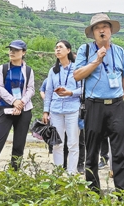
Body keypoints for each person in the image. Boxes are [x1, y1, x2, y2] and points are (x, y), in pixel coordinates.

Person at [74, 13, 124, 193]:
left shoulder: (119, 51)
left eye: (105, 26)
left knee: (119, 152)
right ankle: (94, 193)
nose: (101, 30)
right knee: (92, 152)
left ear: (111, 30)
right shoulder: (85, 50)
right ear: (93, 33)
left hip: (117, 106)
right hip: (94, 105)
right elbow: (77, 75)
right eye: (97, 27)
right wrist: (96, 60)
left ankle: (122, 193)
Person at [0, 40, 35, 174]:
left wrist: (21, 102)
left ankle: (14, 176)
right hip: (5, 108)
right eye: (11, 50)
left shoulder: (29, 70)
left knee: (18, 146)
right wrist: (14, 101)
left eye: (16, 50)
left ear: (23, 53)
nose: (12, 52)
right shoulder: (3, 68)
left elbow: (31, 89)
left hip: (24, 110)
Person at [42, 40, 81, 175]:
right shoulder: (53, 71)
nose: (57, 49)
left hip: (72, 109)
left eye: (61, 47)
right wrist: (46, 111)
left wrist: (71, 92)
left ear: (68, 50)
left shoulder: (77, 68)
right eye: (56, 47)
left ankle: (71, 173)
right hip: (56, 109)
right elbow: (48, 92)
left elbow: (84, 90)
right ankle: (58, 172)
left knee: (73, 142)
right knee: (57, 143)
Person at [39, 78, 53, 154]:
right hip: (49, 109)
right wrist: (46, 98)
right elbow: (41, 90)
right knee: (49, 129)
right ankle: (51, 149)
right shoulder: (47, 80)